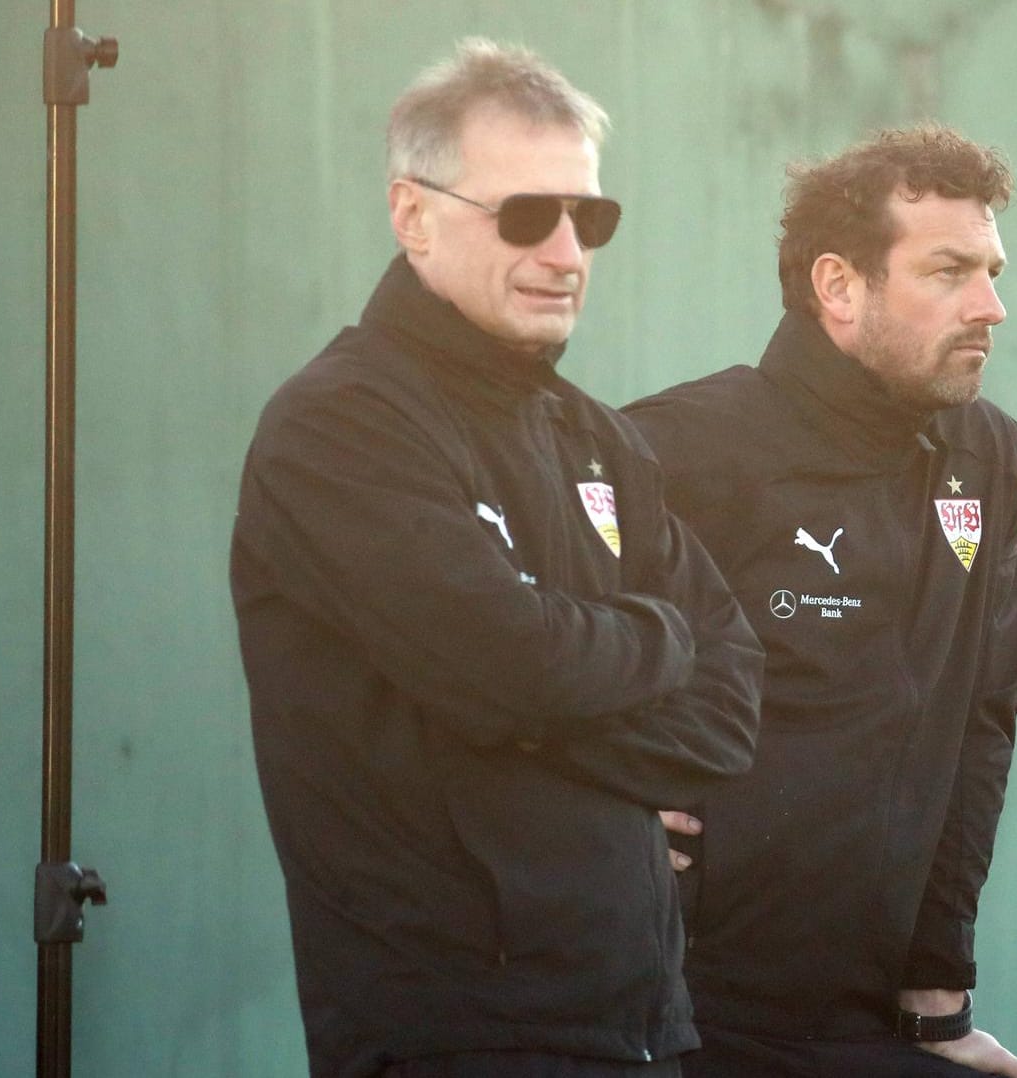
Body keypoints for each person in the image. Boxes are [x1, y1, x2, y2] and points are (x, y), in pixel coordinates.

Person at [230, 39, 763, 1078]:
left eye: (589, 217)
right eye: (526, 214)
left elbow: (734, 689)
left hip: (639, 1021)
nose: (567, 251)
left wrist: (528, 726)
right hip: (455, 1029)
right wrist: (654, 639)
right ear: (413, 215)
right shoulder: (339, 425)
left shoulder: (600, 438)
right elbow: (509, 665)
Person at [626, 126, 1017, 1078]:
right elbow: (520, 659)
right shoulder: (681, 448)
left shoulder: (984, 456)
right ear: (840, 287)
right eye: (949, 271)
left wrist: (938, 993)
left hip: (872, 1018)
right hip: (687, 1018)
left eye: (992, 270)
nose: (992, 306)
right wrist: (598, 807)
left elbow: (982, 716)